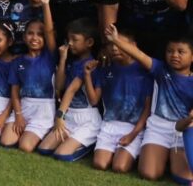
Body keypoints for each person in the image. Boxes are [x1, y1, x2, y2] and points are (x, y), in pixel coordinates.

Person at [105, 24, 193, 182]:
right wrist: (116, 40)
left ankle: (171, 159)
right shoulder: (160, 69)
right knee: (149, 174)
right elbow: (138, 54)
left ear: (192, 57)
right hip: (158, 129)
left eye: (181, 52)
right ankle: (161, 156)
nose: (174, 55)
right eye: (170, 51)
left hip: (182, 130)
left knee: (185, 178)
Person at [86, 28, 152, 173]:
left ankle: (135, 152)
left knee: (120, 167)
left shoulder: (145, 72)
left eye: (119, 44)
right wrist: (87, 75)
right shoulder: (105, 69)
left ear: (133, 46)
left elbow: (147, 108)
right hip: (109, 125)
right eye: (111, 44)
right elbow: (94, 101)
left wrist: (133, 134)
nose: (115, 48)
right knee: (99, 164)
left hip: (134, 127)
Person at [0, 0, 56, 152]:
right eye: (30, 33)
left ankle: (44, 131)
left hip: (44, 109)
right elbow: (15, 92)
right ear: (24, 37)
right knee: (6, 141)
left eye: (40, 35)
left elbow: (49, 31)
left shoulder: (50, 56)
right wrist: (18, 115)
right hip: (23, 107)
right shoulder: (18, 61)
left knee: (25, 146)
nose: (34, 38)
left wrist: (45, 5)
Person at [39, 18, 101, 161]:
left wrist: (59, 116)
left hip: (87, 119)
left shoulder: (91, 64)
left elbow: (71, 90)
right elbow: (59, 87)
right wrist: (62, 59)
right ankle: (71, 140)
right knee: (44, 149)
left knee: (61, 155)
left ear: (89, 42)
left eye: (75, 39)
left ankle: (89, 142)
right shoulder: (72, 62)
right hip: (70, 115)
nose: (70, 43)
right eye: (69, 39)